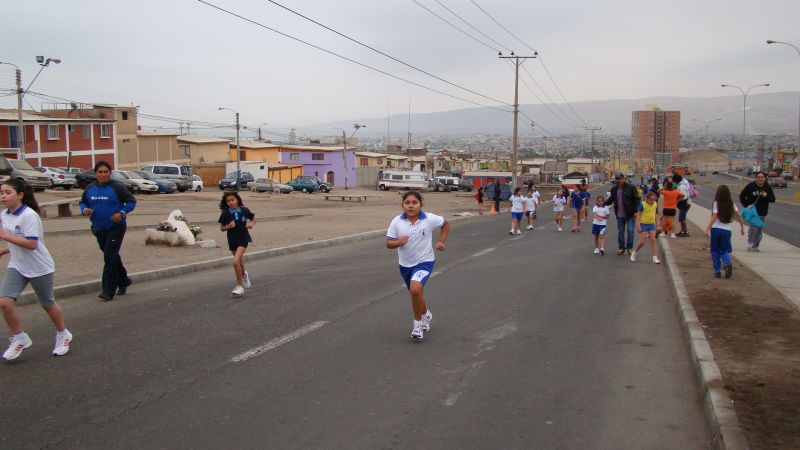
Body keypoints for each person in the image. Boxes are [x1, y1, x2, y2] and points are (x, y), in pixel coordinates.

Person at [0, 179, 72, 360]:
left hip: (39, 267)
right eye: (1, 193)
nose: (3, 196)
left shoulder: (29, 215)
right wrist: (6, 249)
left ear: (20, 195)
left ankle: (63, 334)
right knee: (4, 302)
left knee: (47, 303)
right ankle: (20, 338)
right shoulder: (4, 214)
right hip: (17, 265)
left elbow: (32, 244)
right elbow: (17, 238)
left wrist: (4, 236)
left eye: (8, 193)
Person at [386, 191, 450, 341]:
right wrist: (398, 242)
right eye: (407, 203)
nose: (411, 206)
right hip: (405, 265)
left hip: (425, 262)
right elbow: (388, 243)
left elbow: (445, 224)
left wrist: (441, 241)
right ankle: (426, 314)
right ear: (402, 205)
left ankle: (418, 325)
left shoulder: (428, 218)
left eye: (414, 202)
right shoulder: (396, 222)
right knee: (416, 293)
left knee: (415, 289)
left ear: (421, 204)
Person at [79, 161, 137, 301]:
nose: (103, 174)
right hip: (99, 227)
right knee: (112, 256)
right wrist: (84, 209)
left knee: (109, 257)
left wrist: (122, 213)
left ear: (110, 173)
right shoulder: (90, 188)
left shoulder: (117, 187)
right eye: (100, 172)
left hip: (116, 227)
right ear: (95, 173)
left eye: (106, 172)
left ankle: (107, 290)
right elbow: (82, 202)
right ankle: (123, 280)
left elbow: (131, 201)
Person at [218, 191, 256, 296]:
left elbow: (253, 218)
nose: (231, 202)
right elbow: (222, 228)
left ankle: (239, 286)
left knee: (235, 262)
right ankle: (244, 275)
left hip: (243, 238)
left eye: (232, 200)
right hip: (232, 240)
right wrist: (228, 226)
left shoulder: (244, 210)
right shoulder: (225, 213)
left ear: (237, 200)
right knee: (240, 262)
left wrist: (251, 224)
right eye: (228, 201)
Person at [705, 185, 745, 279]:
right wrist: (742, 228)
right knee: (724, 250)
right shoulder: (731, 203)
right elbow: (739, 216)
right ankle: (727, 263)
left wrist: (707, 229)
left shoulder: (716, 203)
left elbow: (714, 216)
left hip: (716, 230)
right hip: (727, 230)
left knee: (714, 251)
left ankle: (717, 271)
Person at [739, 171, 776, 252]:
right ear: (756, 178)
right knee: (753, 229)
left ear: (765, 178)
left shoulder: (767, 187)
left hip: (762, 212)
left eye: (762, 177)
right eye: (758, 177)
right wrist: (747, 205)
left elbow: (772, 199)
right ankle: (750, 244)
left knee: (759, 230)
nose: (760, 179)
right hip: (752, 212)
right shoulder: (750, 186)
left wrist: (765, 195)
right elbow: (742, 196)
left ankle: (755, 246)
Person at [604, 173, 640, 255]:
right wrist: (603, 203)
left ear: (624, 178)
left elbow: (637, 199)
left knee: (630, 231)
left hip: (630, 213)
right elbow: (611, 199)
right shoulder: (614, 189)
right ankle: (621, 248)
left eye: (620, 178)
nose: (618, 180)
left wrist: (636, 211)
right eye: (617, 179)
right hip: (619, 214)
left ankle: (629, 248)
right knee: (621, 232)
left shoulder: (631, 187)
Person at [631, 191, 661, 264]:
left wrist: (658, 224)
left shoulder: (655, 204)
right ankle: (634, 252)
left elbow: (656, 214)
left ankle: (655, 257)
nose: (652, 202)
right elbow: (638, 215)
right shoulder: (642, 204)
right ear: (646, 199)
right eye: (650, 200)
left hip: (652, 224)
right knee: (642, 242)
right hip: (643, 224)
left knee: (653, 240)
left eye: (653, 200)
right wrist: (638, 226)